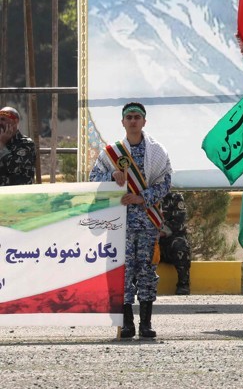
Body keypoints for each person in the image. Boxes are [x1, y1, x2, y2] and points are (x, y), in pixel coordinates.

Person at [89, 102, 172, 339]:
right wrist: (111, 174)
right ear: (123, 122)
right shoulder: (111, 153)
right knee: (123, 272)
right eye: (129, 117)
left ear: (144, 122)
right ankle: (126, 323)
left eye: (137, 117)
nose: (133, 121)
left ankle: (146, 324)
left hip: (146, 221)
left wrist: (140, 198)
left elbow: (165, 183)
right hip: (120, 223)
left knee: (146, 270)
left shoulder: (157, 152)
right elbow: (94, 178)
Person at [158, 192, 192, 295]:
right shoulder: (141, 196)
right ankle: (135, 285)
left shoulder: (175, 197)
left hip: (170, 241)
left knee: (181, 245)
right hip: (149, 240)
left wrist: (161, 232)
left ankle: (183, 284)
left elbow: (178, 221)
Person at [0, 106, 35, 186]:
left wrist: (2, 144)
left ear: (15, 121)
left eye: (3, 119)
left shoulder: (26, 143)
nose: (0, 123)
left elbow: (13, 167)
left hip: (17, 195)